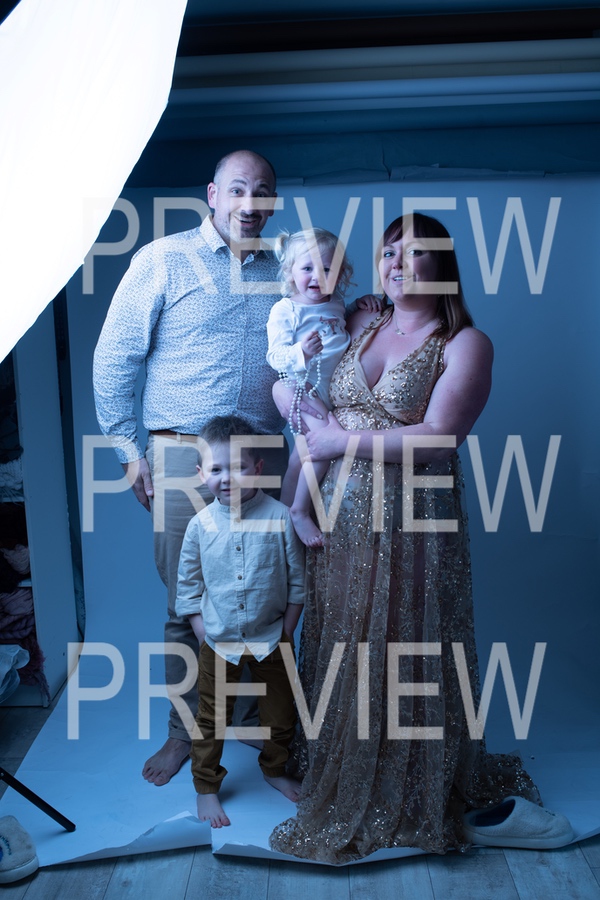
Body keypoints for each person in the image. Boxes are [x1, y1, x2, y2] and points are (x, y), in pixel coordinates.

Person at [269, 212, 544, 863]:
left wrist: (339, 440)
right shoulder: (361, 321)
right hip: (338, 514)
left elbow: (440, 438)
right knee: (343, 632)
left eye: (414, 252)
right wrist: (302, 419)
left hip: (414, 517)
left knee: (403, 636)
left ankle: (408, 781)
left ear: (441, 264)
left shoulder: (464, 343)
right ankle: (339, 758)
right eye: (389, 251)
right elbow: (300, 383)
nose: (397, 263)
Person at [93, 150, 289, 786]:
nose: (250, 203)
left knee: (264, 597)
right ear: (213, 194)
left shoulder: (285, 268)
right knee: (189, 603)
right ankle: (186, 733)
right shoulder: (163, 260)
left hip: (263, 455)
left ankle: (258, 729)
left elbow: (316, 326)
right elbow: (114, 356)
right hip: (184, 454)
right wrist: (128, 451)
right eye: (238, 189)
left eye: (263, 191)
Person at [175, 415, 305, 828]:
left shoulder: (280, 517)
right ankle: (206, 786)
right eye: (216, 469)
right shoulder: (199, 526)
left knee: (281, 714)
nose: (227, 478)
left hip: (272, 638)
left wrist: (287, 630)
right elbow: (188, 587)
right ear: (201, 474)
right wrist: (202, 633)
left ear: (258, 468)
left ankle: (275, 769)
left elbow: (298, 581)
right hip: (218, 641)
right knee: (211, 718)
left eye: (239, 467)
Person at [266, 227, 381, 547]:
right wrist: (300, 352)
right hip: (299, 387)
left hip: (329, 394)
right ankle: (300, 511)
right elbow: (274, 356)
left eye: (327, 269)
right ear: (290, 272)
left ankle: (283, 514)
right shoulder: (286, 310)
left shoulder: (335, 303)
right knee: (322, 446)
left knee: (301, 455)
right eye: (307, 268)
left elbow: (337, 323)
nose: (317, 276)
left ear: (341, 274)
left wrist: (358, 305)